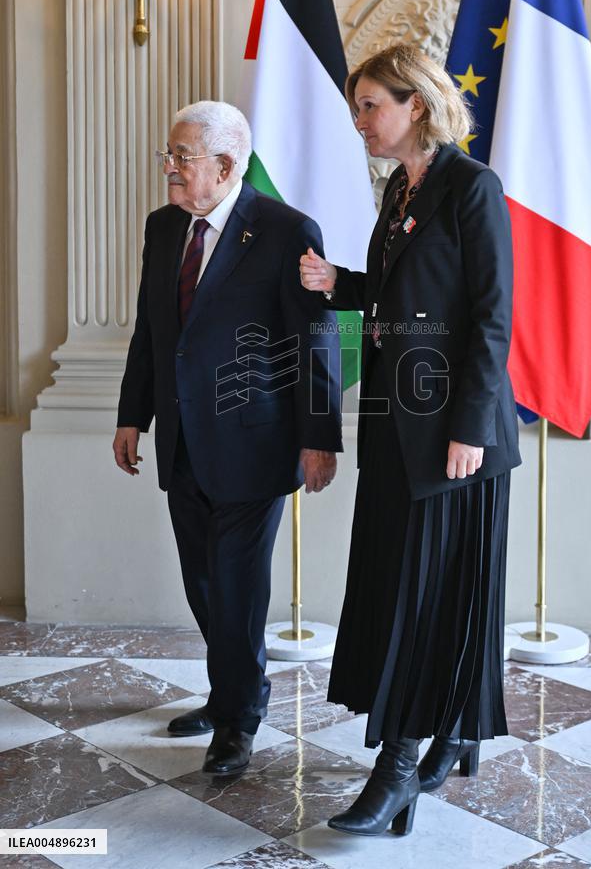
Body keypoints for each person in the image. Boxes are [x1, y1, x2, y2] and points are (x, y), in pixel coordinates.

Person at [300, 43, 521, 837]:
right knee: (402, 585)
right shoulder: (400, 187)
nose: (360, 119)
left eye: (371, 105)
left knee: (426, 598)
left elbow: (491, 319)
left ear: (415, 105)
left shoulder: (472, 187)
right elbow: (408, 304)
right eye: (359, 105)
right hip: (395, 427)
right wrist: (343, 286)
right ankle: (452, 730)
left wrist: (468, 428)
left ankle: (397, 769)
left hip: (458, 440)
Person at [114, 100, 342, 778]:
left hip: (255, 440)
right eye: (170, 154)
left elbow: (317, 337)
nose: (170, 169)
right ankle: (234, 690)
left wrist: (319, 436)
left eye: (182, 158)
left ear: (226, 163)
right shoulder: (163, 229)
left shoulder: (285, 230)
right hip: (182, 438)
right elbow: (152, 332)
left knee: (239, 587)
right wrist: (133, 416)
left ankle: (239, 719)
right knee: (204, 582)